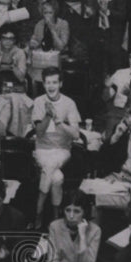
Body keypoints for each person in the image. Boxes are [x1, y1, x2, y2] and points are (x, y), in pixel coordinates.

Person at [31, 67, 81, 228]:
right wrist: (47, 115)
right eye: (47, 83)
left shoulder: (69, 103)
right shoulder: (38, 102)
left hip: (62, 150)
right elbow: (38, 133)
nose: (51, 86)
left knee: (50, 167)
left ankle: (38, 212)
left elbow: (76, 135)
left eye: (54, 82)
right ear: (43, 84)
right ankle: (55, 217)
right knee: (57, 178)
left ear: (60, 84)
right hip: (42, 149)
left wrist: (59, 122)